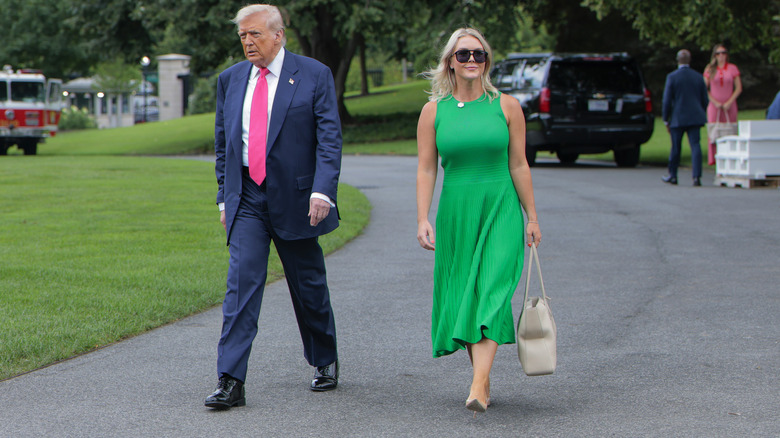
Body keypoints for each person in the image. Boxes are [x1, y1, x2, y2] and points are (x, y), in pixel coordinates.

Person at [207, 4, 342, 410]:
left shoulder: (314, 74)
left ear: (278, 35)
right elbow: (223, 145)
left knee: (309, 286)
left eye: (256, 34)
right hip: (247, 197)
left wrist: (323, 191)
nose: (248, 42)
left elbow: (329, 138)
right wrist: (224, 196)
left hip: (299, 200)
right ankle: (231, 379)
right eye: (243, 36)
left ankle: (324, 358)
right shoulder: (230, 80)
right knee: (240, 287)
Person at [416, 28, 541, 415]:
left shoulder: (508, 106)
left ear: (487, 62)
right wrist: (422, 217)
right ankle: (482, 381)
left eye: (479, 54)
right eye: (464, 54)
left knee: (492, 290)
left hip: (501, 207)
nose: (472, 60)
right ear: (450, 62)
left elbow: (519, 164)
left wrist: (532, 216)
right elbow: (426, 169)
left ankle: (477, 383)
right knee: (465, 295)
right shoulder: (433, 112)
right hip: (456, 212)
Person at [661, 49, 709, 186]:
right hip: (694, 116)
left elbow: (667, 100)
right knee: (695, 145)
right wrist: (701, 111)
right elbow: (705, 99)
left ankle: (673, 175)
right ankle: (696, 177)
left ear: (677, 60)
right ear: (690, 60)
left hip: (678, 117)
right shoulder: (698, 77)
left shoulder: (672, 77)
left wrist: (666, 118)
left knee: (676, 147)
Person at [704, 44, 742, 165]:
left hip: (729, 104)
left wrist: (729, 101)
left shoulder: (732, 68)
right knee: (714, 131)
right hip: (714, 105)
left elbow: (738, 88)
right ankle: (715, 160)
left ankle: (730, 159)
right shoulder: (710, 69)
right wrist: (715, 102)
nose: (721, 56)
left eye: (723, 53)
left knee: (730, 130)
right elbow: (704, 88)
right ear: (715, 55)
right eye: (718, 53)